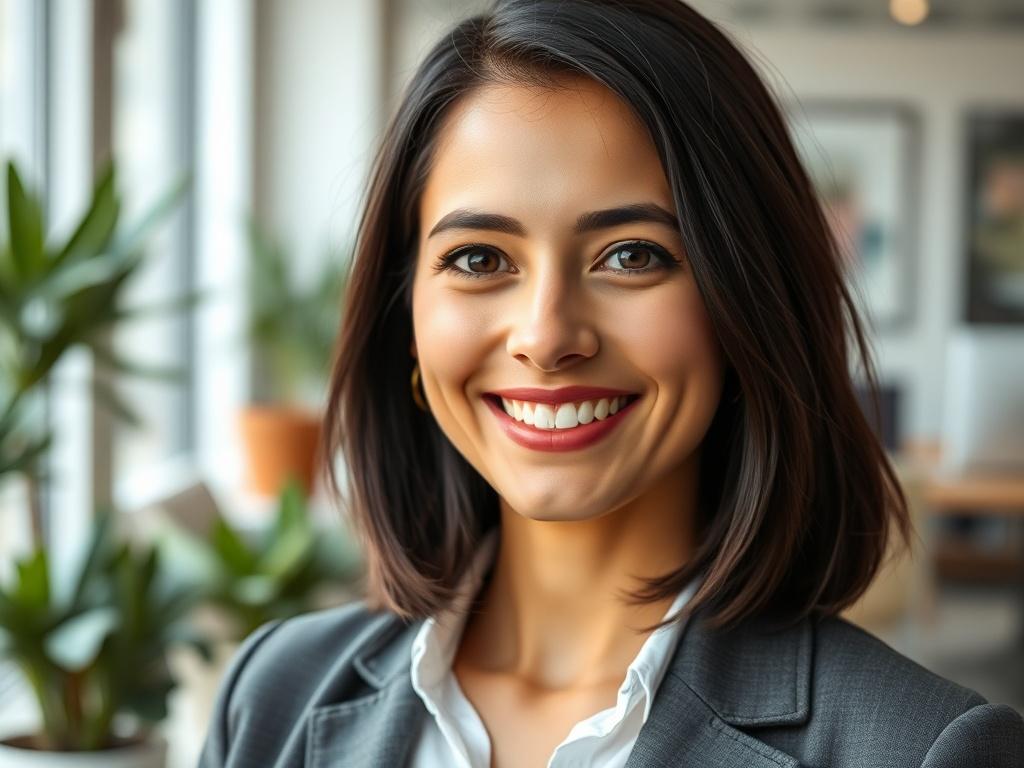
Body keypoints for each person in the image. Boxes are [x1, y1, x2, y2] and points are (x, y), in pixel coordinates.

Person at [198, 1, 1024, 766]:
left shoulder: (925, 750)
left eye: (632, 255)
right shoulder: (273, 696)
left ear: (747, 308)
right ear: (405, 322)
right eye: (480, 259)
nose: (548, 336)